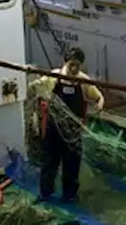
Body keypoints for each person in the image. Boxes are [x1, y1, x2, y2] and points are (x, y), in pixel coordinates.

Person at [39, 48, 105, 202]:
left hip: (73, 132)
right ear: (65, 63)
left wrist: (99, 105)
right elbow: (37, 87)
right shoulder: (53, 78)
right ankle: (45, 193)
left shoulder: (83, 81)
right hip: (53, 129)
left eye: (77, 65)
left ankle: (69, 196)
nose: (74, 69)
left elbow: (98, 97)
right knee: (49, 162)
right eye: (71, 65)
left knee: (72, 165)